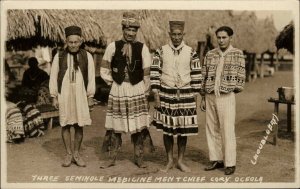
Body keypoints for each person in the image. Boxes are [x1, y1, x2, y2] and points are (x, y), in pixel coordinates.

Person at [100, 11, 154, 169]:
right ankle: (112, 157)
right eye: (127, 29)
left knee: (138, 125)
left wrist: (144, 91)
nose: (130, 33)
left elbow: (147, 73)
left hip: (136, 89)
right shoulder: (112, 46)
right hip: (118, 89)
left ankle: (139, 157)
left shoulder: (143, 48)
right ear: (122, 29)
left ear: (137, 31)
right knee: (116, 125)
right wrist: (114, 83)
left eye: (134, 30)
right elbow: (104, 69)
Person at [150, 21, 203, 172]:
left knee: (183, 129)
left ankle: (180, 161)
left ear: (183, 35)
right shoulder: (160, 51)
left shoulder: (191, 52)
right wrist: (156, 95)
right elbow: (155, 73)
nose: (176, 37)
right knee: (167, 130)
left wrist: (194, 94)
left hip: (185, 94)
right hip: (166, 93)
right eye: (174, 34)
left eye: (179, 34)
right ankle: (169, 160)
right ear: (169, 34)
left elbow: (197, 74)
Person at [201, 26, 246, 175]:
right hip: (210, 95)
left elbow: (241, 76)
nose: (221, 40)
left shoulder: (237, 54)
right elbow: (204, 75)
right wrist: (203, 96)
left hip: (226, 96)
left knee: (227, 129)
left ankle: (230, 163)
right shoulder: (210, 54)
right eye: (218, 37)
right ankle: (216, 159)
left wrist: (231, 89)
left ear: (230, 38)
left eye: (224, 37)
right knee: (211, 128)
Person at [49, 25, 95, 167]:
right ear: (66, 41)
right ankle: (68, 153)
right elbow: (53, 76)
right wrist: (54, 96)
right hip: (65, 93)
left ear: (80, 41)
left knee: (79, 124)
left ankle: (76, 153)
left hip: (80, 93)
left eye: (76, 42)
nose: (73, 45)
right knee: (66, 124)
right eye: (71, 42)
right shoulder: (59, 56)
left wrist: (90, 96)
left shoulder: (87, 56)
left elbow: (91, 77)